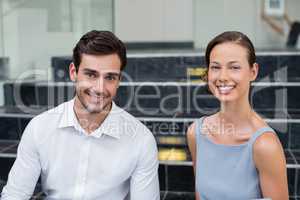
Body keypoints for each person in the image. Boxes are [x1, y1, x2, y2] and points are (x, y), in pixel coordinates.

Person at [1, 30, 160, 200]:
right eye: (91, 74)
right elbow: (15, 195)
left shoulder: (141, 140)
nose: (99, 88)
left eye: (110, 77)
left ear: (119, 80)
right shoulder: (39, 128)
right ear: (73, 72)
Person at [186, 31, 289, 200]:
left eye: (234, 67)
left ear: (253, 71)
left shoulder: (265, 146)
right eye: (215, 67)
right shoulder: (195, 133)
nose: (223, 77)